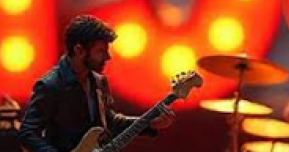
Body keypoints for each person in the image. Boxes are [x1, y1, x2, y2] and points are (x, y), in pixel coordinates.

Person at [18, 15, 176, 152]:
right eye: (101, 51)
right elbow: (27, 133)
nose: (108, 57)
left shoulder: (99, 82)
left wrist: (149, 123)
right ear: (79, 50)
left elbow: (109, 122)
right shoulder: (51, 86)